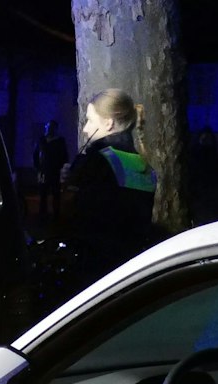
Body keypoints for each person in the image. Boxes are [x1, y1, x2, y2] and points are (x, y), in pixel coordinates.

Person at [64, 88, 158, 289]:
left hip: (96, 271)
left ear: (109, 123)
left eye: (90, 120)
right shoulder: (142, 164)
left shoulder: (98, 162)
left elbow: (80, 219)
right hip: (131, 269)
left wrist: (74, 179)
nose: (85, 129)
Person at [31, 119, 68, 220]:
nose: (48, 129)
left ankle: (56, 216)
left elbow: (65, 157)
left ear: (55, 128)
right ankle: (42, 215)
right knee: (43, 195)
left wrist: (63, 171)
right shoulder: (41, 140)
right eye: (47, 127)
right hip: (43, 172)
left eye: (51, 127)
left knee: (56, 195)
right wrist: (38, 169)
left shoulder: (60, 141)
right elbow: (35, 155)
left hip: (55, 172)